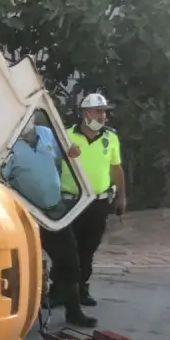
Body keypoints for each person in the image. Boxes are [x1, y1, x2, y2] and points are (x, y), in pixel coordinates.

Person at [1, 121, 97, 327]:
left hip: (55, 211)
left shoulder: (45, 133)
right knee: (26, 267)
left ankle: (73, 310)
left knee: (70, 261)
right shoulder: (7, 145)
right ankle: (20, 320)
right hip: (28, 215)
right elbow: (1, 179)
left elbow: (64, 153)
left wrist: (72, 150)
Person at [48, 93, 126, 309]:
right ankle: (57, 291)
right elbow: (49, 160)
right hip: (71, 201)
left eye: (104, 112)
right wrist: (65, 154)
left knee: (88, 248)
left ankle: (81, 289)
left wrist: (121, 195)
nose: (103, 116)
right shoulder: (66, 136)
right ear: (86, 113)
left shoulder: (110, 138)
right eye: (98, 111)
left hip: (98, 202)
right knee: (65, 248)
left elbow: (116, 168)